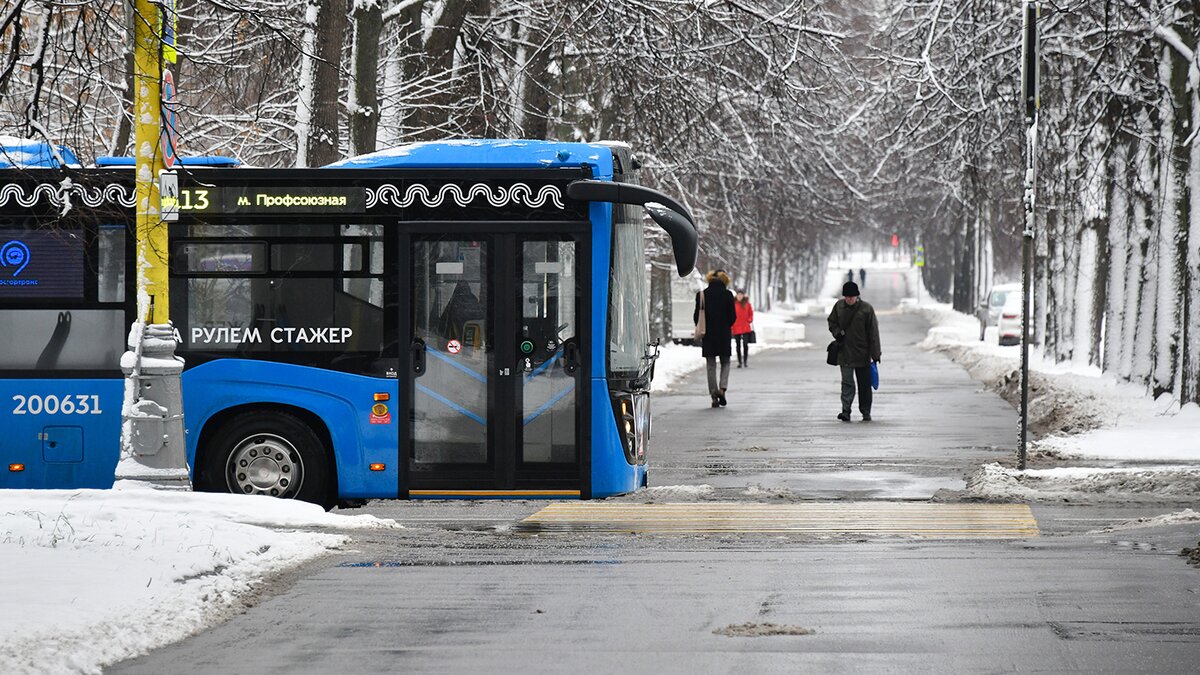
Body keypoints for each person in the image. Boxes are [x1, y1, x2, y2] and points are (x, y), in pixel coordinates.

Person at [827, 281, 881, 422]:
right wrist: (837, 332)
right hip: (844, 352)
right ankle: (846, 411)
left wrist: (875, 354)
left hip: (863, 354)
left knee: (864, 385)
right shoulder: (839, 306)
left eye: (852, 296)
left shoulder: (866, 309)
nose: (849, 299)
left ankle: (866, 412)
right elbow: (832, 322)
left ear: (857, 296)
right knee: (847, 383)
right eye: (847, 296)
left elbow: (873, 333)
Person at [694, 269, 736, 407]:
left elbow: (696, 317)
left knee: (711, 366)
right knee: (726, 363)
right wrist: (725, 325)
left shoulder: (702, 295)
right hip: (724, 335)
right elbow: (732, 318)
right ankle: (722, 389)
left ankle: (714, 396)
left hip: (708, 335)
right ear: (725, 280)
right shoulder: (728, 295)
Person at [732, 288, 754, 368]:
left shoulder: (747, 304)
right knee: (738, 345)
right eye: (738, 295)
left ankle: (745, 361)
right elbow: (731, 314)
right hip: (736, 326)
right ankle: (739, 362)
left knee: (745, 344)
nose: (740, 296)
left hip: (745, 327)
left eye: (741, 295)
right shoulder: (733, 304)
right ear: (736, 295)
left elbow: (751, 314)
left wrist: (749, 320)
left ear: (743, 295)